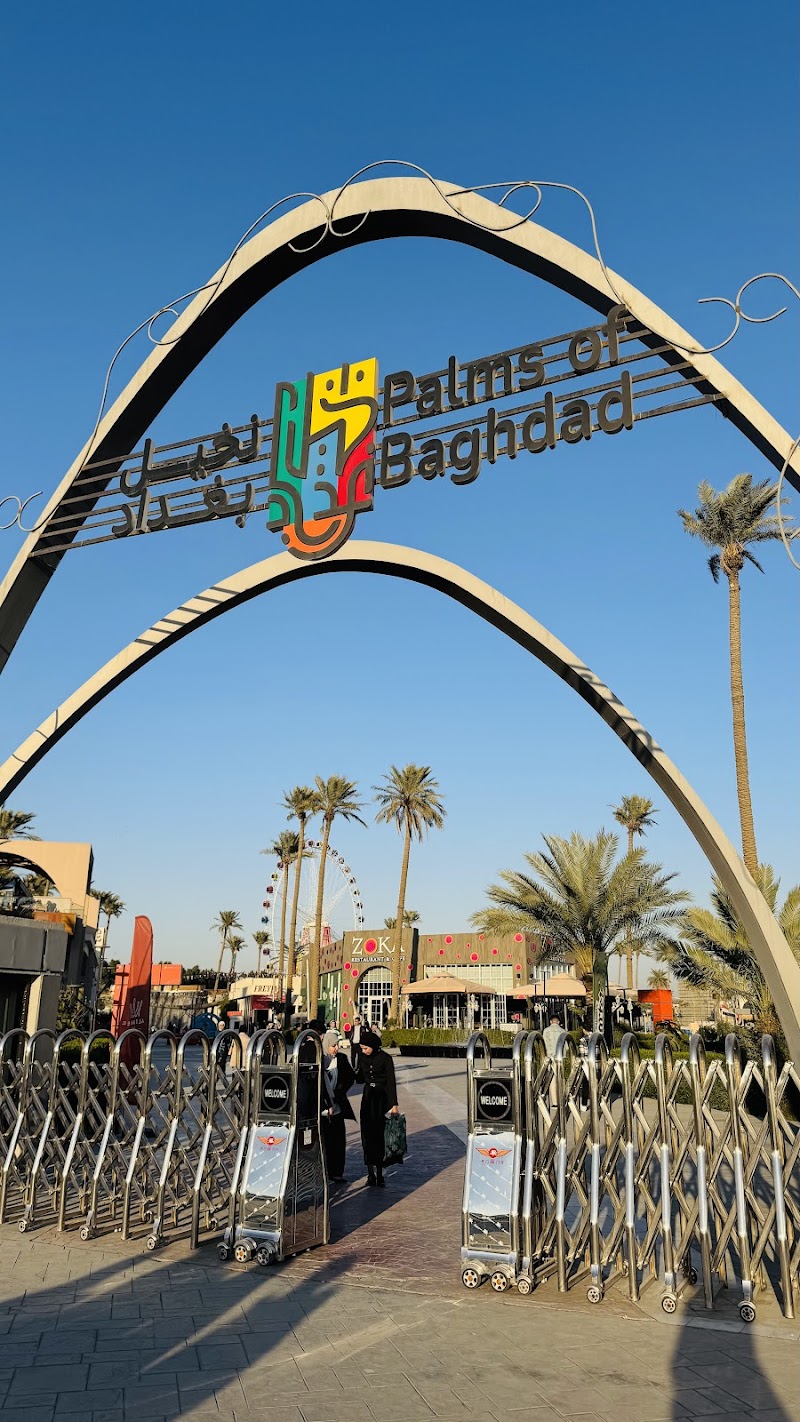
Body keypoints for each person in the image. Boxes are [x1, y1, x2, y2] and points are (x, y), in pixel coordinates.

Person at [356, 1029, 398, 1188]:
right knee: (367, 1134)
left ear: (373, 1046)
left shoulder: (385, 1058)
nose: (364, 1051)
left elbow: (391, 1082)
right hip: (368, 1097)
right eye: (362, 1048)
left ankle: (380, 1173)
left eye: (366, 1048)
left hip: (381, 1098)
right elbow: (359, 1079)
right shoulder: (362, 1057)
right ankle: (370, 1173)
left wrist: (394, 1105)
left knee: (380, 1135)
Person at [320, 1029, 355, 1184]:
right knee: (325, 1141)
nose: (336, 1048)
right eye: (333, 1045)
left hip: (338, 1106)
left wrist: (340, 1090)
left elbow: (350, 1077)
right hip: (323, 1109)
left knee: (338, 1140)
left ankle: (337, 1172)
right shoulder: (320, 1060)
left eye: (337, 1045)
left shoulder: (341, 1058)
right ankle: (324, 1172)